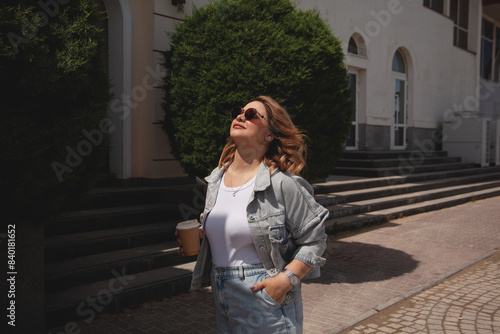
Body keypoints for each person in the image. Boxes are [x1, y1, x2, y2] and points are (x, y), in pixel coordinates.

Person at [181, 96, 329, 333]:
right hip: (220, 289)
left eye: (251, 115)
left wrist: (286, 280)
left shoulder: (282, 184)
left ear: (270, 135)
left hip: (262, 294)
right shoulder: (215, 179)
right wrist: (204, 236)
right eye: (239, 111)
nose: (240, 115)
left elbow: (315, 240)